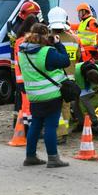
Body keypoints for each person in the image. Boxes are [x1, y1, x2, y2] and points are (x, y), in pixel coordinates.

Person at [18, 23, 71, 168]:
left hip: (34, 96)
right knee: (50, 127)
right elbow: (65, 61)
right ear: (45, 35)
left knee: (35, 125)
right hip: (51, 95)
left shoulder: (22, 53)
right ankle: (53, 158)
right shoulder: (47, 52)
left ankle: (30, 156)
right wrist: (59, 44)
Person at [47, 6, 89, 143]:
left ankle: (57, 133)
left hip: (52, 79)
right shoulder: (75, 39)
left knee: (53, 106)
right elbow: (78, 58)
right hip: (69, 80)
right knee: (66, 107)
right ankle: (63, 131)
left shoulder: (47, 40)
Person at [12, 13, 40, 132]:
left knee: (24, 104)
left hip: (19, 77)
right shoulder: (27, 41)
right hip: (28, 76)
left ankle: (23, 126)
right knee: (29, 105)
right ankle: (30, 129)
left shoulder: (18, 40)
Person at [73, 60, 98, 129]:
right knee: (74, 102)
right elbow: (78, 90)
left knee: (85, 100)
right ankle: (81, 122)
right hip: (76, 85)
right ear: (87, 79)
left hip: (88, 87)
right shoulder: (76, 71)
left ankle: (94, 121)